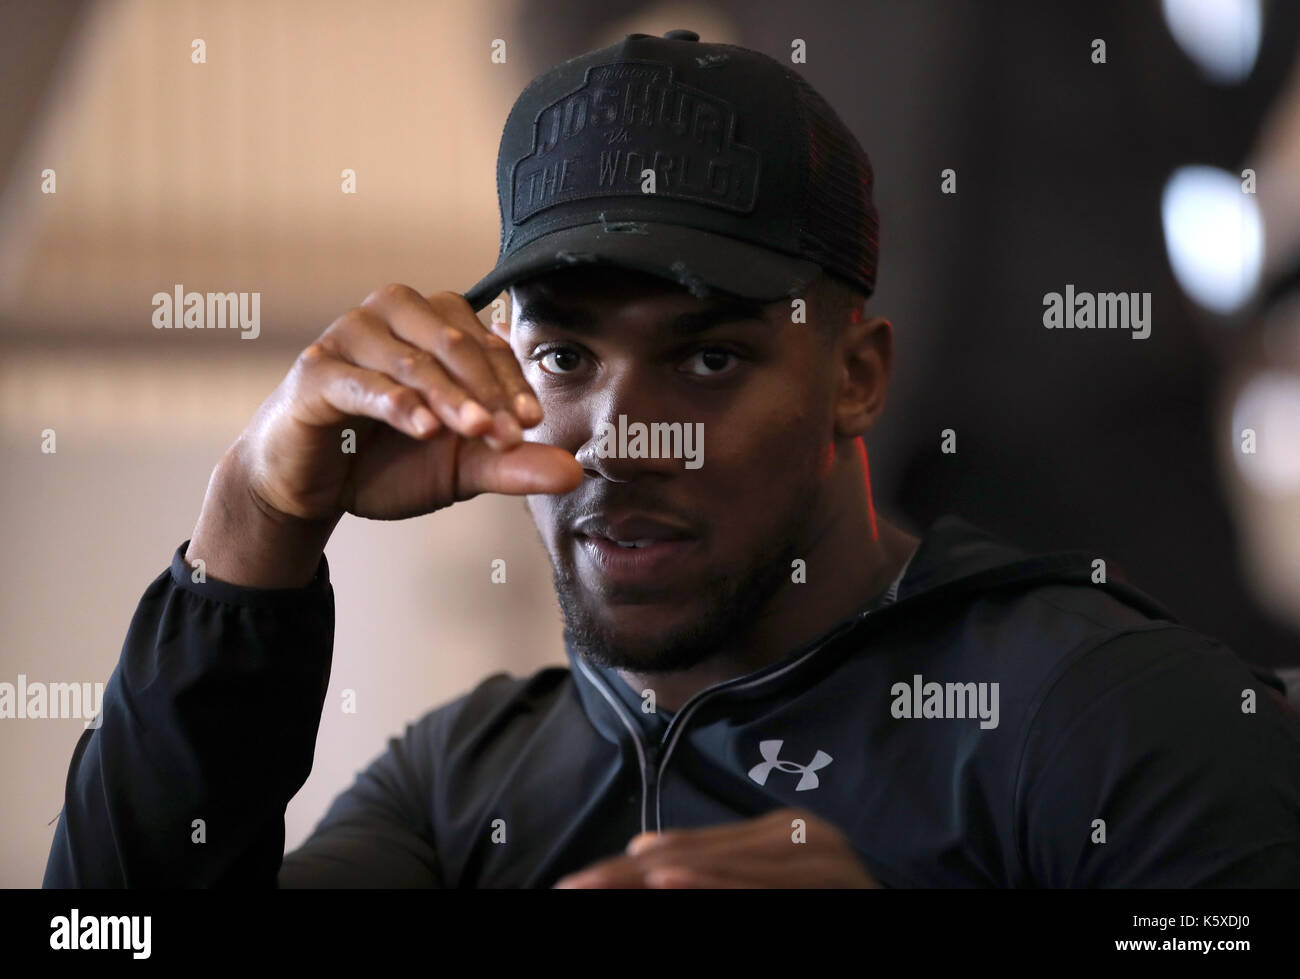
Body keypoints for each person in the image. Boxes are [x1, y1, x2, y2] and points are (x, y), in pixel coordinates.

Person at [45, 29, 1300, 888]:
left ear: (855, 377)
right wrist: (255, 521)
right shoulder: (459, 782)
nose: (619, 439)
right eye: (565, 360)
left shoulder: (1105, 713)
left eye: (706, 359)